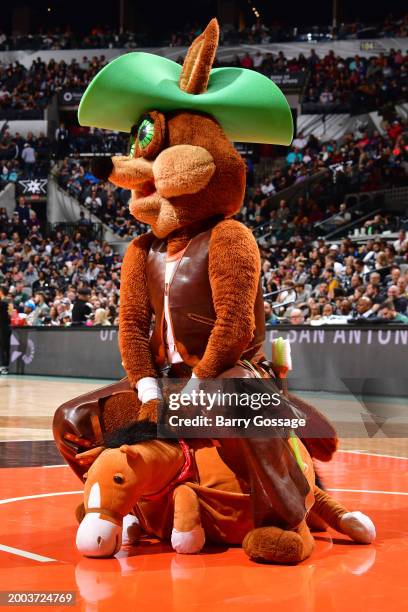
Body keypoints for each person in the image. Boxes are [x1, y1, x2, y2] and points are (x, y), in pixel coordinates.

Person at [0, 285, 11, 374]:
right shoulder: (7, 302)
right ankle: (2, 365)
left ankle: (4, 366)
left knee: (4, 347)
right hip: (4, 326)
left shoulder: (4, 302)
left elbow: (9, 315)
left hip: (4, 327)